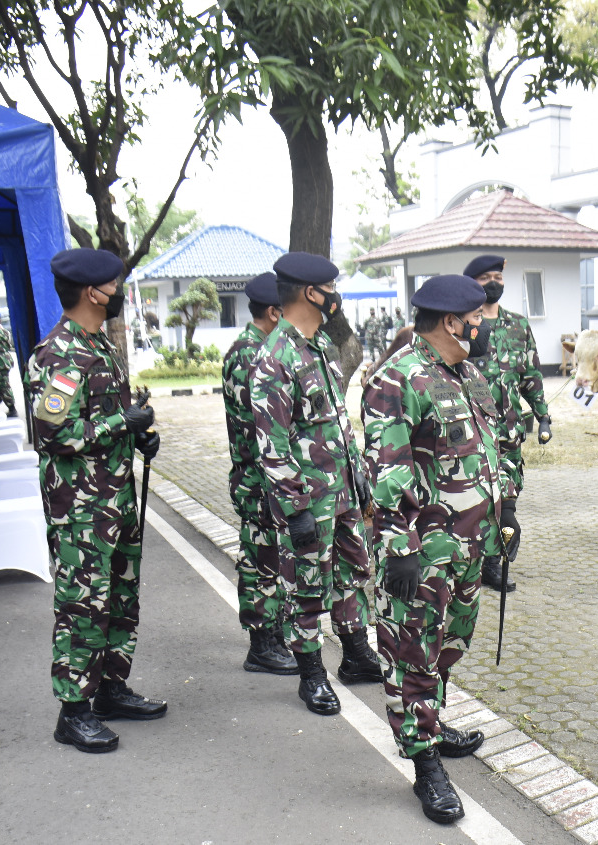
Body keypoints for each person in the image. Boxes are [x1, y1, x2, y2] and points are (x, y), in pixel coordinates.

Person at [362, 274, 519, 824]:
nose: (484, 324)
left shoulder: (469, 377)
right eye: (477, 317)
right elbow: (387, 469)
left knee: (450, 640)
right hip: (423, 554)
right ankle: (424, 761)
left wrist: (507, 514)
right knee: (412, 654)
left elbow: (494, 452)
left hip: (470, 548)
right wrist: (400, 547)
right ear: (452, 322)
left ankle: (433, 717)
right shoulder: (396, 380)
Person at [27, 248, 165, 754]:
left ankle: (109, 689)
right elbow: (52, 431)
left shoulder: (99, 346)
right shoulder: (58, 353)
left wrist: (136, 438)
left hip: (113, 500)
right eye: (115, 284)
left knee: (120, 599)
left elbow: (103, 421)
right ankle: (73, 711)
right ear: (93, 292)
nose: (120, 292)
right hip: (81, 510)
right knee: (83, 606)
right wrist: (117, 425)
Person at [249, 251, 382, 717]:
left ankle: (356, 655)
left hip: (342, 490)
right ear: (311, 292)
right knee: (306, 586)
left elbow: (336, 420)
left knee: (352, 573)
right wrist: (296, 507)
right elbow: (273, 444)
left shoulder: (319, 347)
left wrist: (359, 474)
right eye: (330, 287)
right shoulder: (275, 359)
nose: (334, 295)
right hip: (308, 500)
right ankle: (311, 675)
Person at [221, 272, 296, 676]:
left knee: (272, 555)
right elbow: (263, 424)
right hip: (258, 477)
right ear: (273, 312)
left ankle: (273, 632)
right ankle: (262, 643)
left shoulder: (263, 350)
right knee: (261, 556)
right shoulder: (249, 355)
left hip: (269, 477)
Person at [462, 254, 551, 592]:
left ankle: (493, 564)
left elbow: (531, 375)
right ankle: (467, 562)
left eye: (498, 276)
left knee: (508, 499)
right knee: (476, 496)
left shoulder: (518, 325)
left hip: (510, 433)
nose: (494, 282)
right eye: (485, 277)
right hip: (473, 433)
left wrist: (543, 415)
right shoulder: (464, 326)